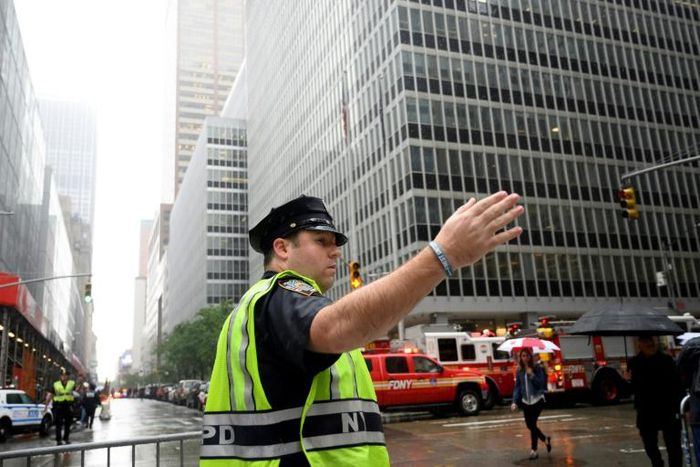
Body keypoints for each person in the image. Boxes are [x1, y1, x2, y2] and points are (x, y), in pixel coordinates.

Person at [200, 192, 523, 466]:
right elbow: (339, 326)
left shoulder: (267, 304)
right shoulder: (280, 294)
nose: (336, 251)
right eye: (321, 241)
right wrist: (443, 255)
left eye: (335, 242)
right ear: (283, 249)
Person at [629, 336, 683, 467]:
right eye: (646, 341)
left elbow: (677, 384)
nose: (650, 344)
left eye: (651, 341)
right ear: (639, 345)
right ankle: (657, 463)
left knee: (673, 445)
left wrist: (680, 406)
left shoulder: (666, 360)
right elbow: (632, 389)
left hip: (667, 408)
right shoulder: (635, 363)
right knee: (649, 444)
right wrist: (628, 379)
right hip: (646, 410)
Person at [510, 347, 551, 460]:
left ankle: (534, 450)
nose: (525, 358)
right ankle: (545, 439)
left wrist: (532, 375)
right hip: (526, 402)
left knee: (532, 424)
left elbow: (541, 384)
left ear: (530, 357)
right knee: (530, 425)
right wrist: (514, 401)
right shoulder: (519, 370)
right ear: (520, 357)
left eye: (527, 356)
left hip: (537, 400)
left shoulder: (537, 368)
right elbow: (517, 387)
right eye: (523, 356)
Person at [45, 370, 76, 445]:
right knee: (58, 423)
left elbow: (74, 391)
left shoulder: (72, 384)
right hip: (58, 406)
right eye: (63, 375)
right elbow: (51, 394)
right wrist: (46, 405)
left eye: (66, 375)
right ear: (60, 376)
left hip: (68, 405)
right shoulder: (56, 384)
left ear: (68, 376)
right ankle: (59, 440)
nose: (64, 377)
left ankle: (66, 439)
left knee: (67, 423)